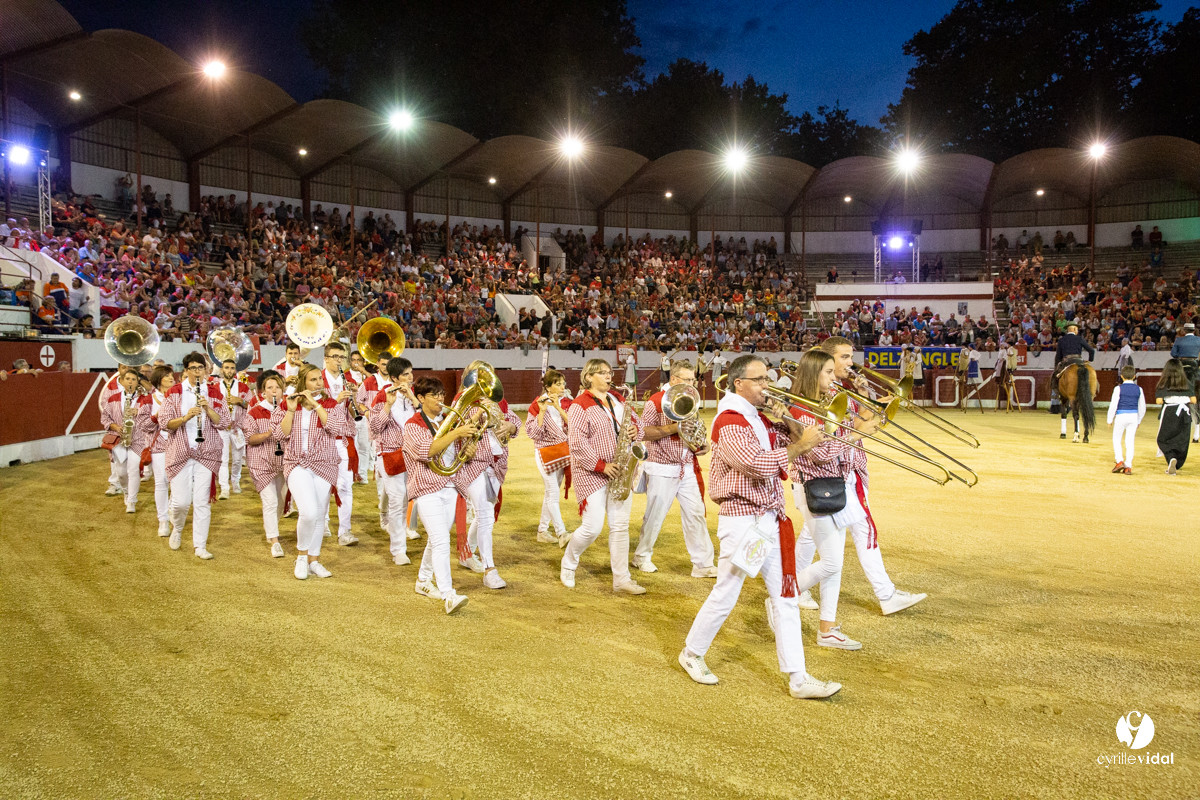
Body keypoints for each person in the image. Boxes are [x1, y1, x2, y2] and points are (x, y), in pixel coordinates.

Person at [678, 354, 839, 699]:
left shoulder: (757, 417)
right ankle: (691, 652)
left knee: (785, 597)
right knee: (727, 591)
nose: (768, 385)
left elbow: (801, 446)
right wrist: (800, 444)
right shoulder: (730, 421)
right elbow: (757, 464)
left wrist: (788, 420)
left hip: (766, 519)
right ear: (739, 384)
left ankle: (798, 678)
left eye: (768, 378)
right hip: (744, 521)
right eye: (760, 379)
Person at [793, 336, 928, 617]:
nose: (850, 363)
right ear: (826, 360)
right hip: (831, 474)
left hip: (846, 470)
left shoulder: (840, 389)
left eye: (850, 357)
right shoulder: (815, 397)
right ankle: (884, 594)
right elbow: (834, 441)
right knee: (863, 530)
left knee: (812, 535)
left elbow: (858, 420)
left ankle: (797, 586)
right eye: (843, 357)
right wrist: (861, 427)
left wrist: (871, 399)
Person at [559, 359, 647, 595]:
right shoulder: (579, 405)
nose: (609, 377)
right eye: (602, 373)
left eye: (609, 372)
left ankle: (621, 579)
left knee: (620, 527)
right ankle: (569, 562)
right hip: (592, 473)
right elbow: (577, 443)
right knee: (592, 527)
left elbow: (638, 424)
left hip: (621, 469)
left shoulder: (618, 399)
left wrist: (636, 430)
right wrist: (601, 465)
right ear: (588, 377)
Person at [633, 361, 717, 578]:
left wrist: (702, 444)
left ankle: (703, 564)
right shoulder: (655, 401)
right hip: (661, 466)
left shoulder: (690, 399)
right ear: (673, 379)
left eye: (693, 379)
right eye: (686, 379)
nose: (691, 384)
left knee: (695, 514)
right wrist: (674, 428)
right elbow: (643, 432)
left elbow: (694, 429)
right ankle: (641, 556)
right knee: (655, 515)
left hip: (686, 465)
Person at [271, 363, 355, 580]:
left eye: (320, 379)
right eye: (313, 380)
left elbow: (336, 429)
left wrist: (317, 405)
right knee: (308, 512)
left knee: (318, 513)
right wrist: (291, 410)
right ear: (303, 382)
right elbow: (279, 434)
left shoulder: (330, 404)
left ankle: (314, 560)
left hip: (325, 464)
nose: (318, 383)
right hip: (297, 463)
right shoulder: (287, 403)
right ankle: (301, 556)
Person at [404, 376, 476, 614]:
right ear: (420, 398)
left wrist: (468, 450)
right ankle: (448, 594)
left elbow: (457, 456)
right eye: (434, 395)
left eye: (442, 394)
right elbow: (427, 451)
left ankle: (423, 580)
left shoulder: (448, 422)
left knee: (437, 539)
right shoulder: (413, 425)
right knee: (441, 540)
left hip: (451, 485)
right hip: (427, 489)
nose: (440, 399)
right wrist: (457, 434)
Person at [452, 360, 521, 588]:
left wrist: (511, 427)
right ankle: (489, 569)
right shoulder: (462, 400)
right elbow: (454, 429)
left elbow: (514, 420)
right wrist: (477, 415)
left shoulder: (498, 400)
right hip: (472, 463)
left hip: (496, 463)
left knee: (485, 514)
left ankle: (467, 553)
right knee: (485, 515)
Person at [157, 351, 230, 559]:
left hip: (207, 452)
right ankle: (177, 528)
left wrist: (208, 409)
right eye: (193, 368)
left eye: (201, 368)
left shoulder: (215, 393)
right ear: (186, 370)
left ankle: (200, 546)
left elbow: (224, 422)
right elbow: (164, 422)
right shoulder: (174, 392)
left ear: (206, 370)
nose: (197, 372)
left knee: (202, 501)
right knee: (180, 502)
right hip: (180, 452)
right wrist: (186, 417)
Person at [368, 357, 418, 566]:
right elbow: (374, 427)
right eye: (406, 374)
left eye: (411, 372)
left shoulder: (414, 394)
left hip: (413, 455)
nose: (411, 377)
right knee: (398, 501)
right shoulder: (383, 395)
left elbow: (428, 420)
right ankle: (398, 549)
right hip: (390, 454)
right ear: (395, 378)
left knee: (408, 497)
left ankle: (397, 524)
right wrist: (388, 406)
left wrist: (413, 399)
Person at [242, 371, 288, 558]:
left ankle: (272, 529)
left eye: (277, 387)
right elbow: (250, 439)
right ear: (263, 393)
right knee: (270, 501)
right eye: (270, 388)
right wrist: (270, 432)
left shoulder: (288, 409)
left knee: (281, 501)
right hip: (261, 462)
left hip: (284, 461)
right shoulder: (254, 412)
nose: (274, 391)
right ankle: (275, 541)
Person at [525, 370, 572, 544]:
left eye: (563, 383)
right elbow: (533, 433)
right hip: (545, 451)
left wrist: (558, 407)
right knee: (553, 493)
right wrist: (542, 411)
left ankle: (542, 531)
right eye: (558, 384)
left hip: (562, 450)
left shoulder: (566, 402)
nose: (562, 387)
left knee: (551, 493)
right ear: (548, 387)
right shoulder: (537, 404)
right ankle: (561, 533)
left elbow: (574, 425)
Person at [320, 342, 359, 546]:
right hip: (322, 438)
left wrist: (354, 400)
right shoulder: (317, 379)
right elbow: (315, 408)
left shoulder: (349, 380)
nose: (339, 361)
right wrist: (336, 400)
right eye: (335, 357)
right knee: (323, 485)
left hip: (343, 439)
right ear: (326, 358)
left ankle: (345, 530)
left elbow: (352, 412)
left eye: (342, 357)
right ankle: (323, 522)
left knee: (345, 485)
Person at [100, 368, 147, 514]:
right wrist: (115, 427)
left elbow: (151, 416)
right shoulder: (113, 398)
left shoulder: (144, 399)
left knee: (133, 470)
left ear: (137, 382)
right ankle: (126, 491)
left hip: (138, 439)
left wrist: (139, 412)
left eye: (133, 379)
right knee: (120, 472)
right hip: (119, 438)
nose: (130, 382)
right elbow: (105, 418)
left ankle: (132, 500)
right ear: (122, 381)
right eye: (128, 379)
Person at [141, 365, 175, 537]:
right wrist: (156, 416)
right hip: (159, 445)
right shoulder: (149, 400)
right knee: (161, 481)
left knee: (177, 481)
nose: (171, 378)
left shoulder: (179, 397)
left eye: (171, 375)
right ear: (158, 379)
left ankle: (172, 509)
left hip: (178, 443)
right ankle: (163, 520)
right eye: (166, 375)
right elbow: (143, 426)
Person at [214, 359, 249, 498]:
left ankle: (235, 481)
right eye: (226, 367)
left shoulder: (243, 387)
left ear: (235, 370)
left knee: (237, 459)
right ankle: (224, 487)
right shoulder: (215, 387)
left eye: (232, 368)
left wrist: (240, 401)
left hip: (237, 428)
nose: (229, 370)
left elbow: (252, 405)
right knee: (223, 459)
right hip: (222, 427)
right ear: (222, 370)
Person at [1155, 359, 1196, 474]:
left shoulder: (1163, 383)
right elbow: (1193, 400)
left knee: (1163, 439)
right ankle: (1177, 462)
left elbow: (1159, 401)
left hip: (1170, 411)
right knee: (1182, 439)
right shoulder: (1187, 382)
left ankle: (1171, 458)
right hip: (1184, 413)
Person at [1107, 365, 1146, 475]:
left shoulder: (1118, 388)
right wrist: (1139, 420)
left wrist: (1110, 419)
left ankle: (1119, 461)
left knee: (1116, 439)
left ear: (1122, 376)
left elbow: (1113, 405)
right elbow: (1142, 407)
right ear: (1134, 376)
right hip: (1133, 416)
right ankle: (1128, 465)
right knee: (1130, 441)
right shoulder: (1139, 389)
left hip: (1121, 416)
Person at [1169, 322, 1200, 442]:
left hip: (1182, 366)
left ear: (1184, 331)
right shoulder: (1198, 340)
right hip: (1195, 366)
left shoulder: (1179, 340)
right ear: (1193, 330)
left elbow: (1173, 354)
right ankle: (1197, 433)